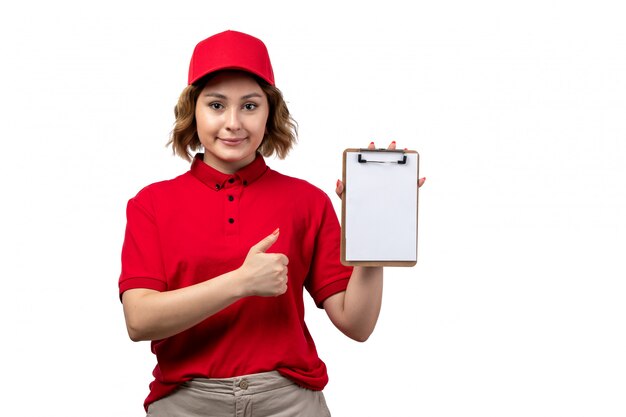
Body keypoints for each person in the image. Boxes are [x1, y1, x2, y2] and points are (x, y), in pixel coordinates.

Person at [119, 29, 424, 417]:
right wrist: (241, 282)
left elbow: (356, 324)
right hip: (185, 403)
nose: (233, 123)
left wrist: (372, 233)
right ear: (192, 111)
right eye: (216, 105)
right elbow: (139, 320)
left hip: (290, 402)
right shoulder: (152, 204)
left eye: (249, 106)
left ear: (270, 113)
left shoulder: (307, 201)